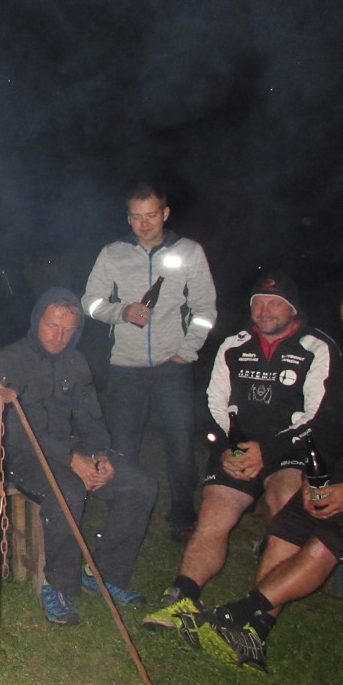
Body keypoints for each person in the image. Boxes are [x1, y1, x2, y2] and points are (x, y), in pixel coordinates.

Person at [176, 280, 343, 678]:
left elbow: (312, 419)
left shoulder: (319, 347)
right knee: (286, 527)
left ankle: (245, 616)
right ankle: (240, 624)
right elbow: (328, 427)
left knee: (325, 539)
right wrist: (316, 477)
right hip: (335, 473)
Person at [143, 272, 337, 630]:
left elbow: (319, 415)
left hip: (290, 449)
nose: (264, 311)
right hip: (240, 447)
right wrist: (230, 447)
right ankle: (182, 597)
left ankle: (256, 618)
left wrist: (269, 450)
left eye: (274, 303)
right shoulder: (235, 345)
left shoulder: (316, 347)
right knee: (214, 512)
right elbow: (215, 400)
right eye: (257, 303)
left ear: (293, 309)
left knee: (285, 507)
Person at [0, 288, 158, 625]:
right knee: (68, 489)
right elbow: (14, 430)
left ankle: (105, 574)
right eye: (52, 326)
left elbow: (90, 416)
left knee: (140, 486)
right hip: (21, 456)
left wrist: (99, 454)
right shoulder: (10, 360)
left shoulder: (76, 362)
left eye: (68, 329)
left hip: (68, 449)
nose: (59, 337)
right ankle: (58, 585)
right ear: (37, 321)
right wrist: (72, 459)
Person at [82, 182, 217, 542]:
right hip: (125, 367)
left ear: (165, 213)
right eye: (136, 217)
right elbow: (90, 301)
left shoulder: (189, 251)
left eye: (151, 215)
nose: (144, 223)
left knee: (180, 444)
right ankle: (121, 510)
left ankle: (182, 513)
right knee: (123, 445)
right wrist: (121, 312)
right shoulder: (113, 253)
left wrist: (187, 351)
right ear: (128, 218)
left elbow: (205, 308)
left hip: (173, 366)